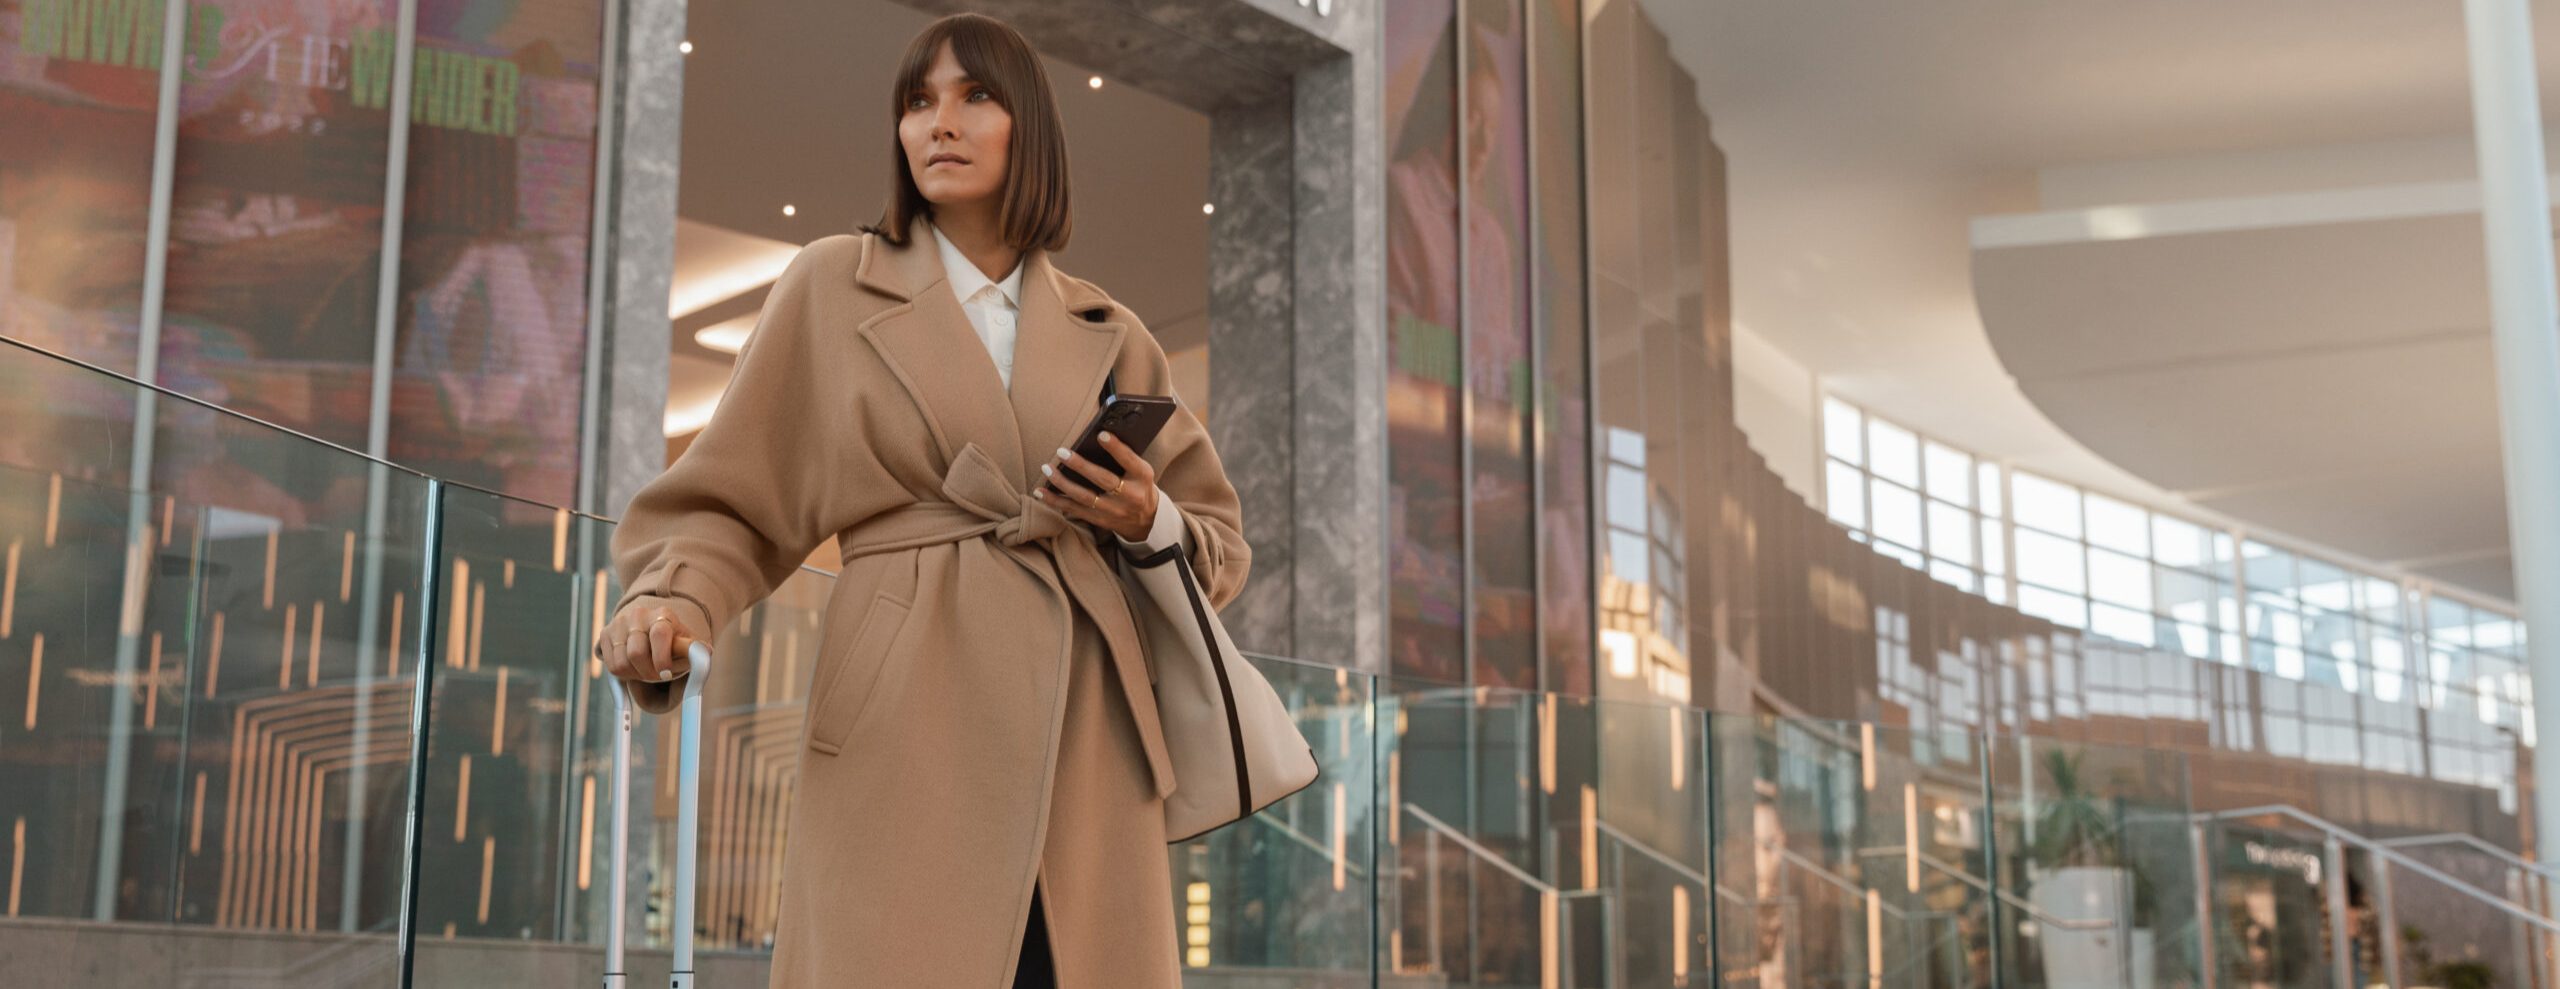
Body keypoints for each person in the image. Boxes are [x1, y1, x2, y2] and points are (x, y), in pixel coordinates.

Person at [590, 14, 1249, 988]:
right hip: (905, 716)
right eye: (917, 100)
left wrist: (1142, 514)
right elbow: (732, 498)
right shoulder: (831, 287)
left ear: (1029, 127)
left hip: (1087, 740)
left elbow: (1218, 548)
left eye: (974, 95)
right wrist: (673, 596)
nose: (939, 121)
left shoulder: (1111, 330)